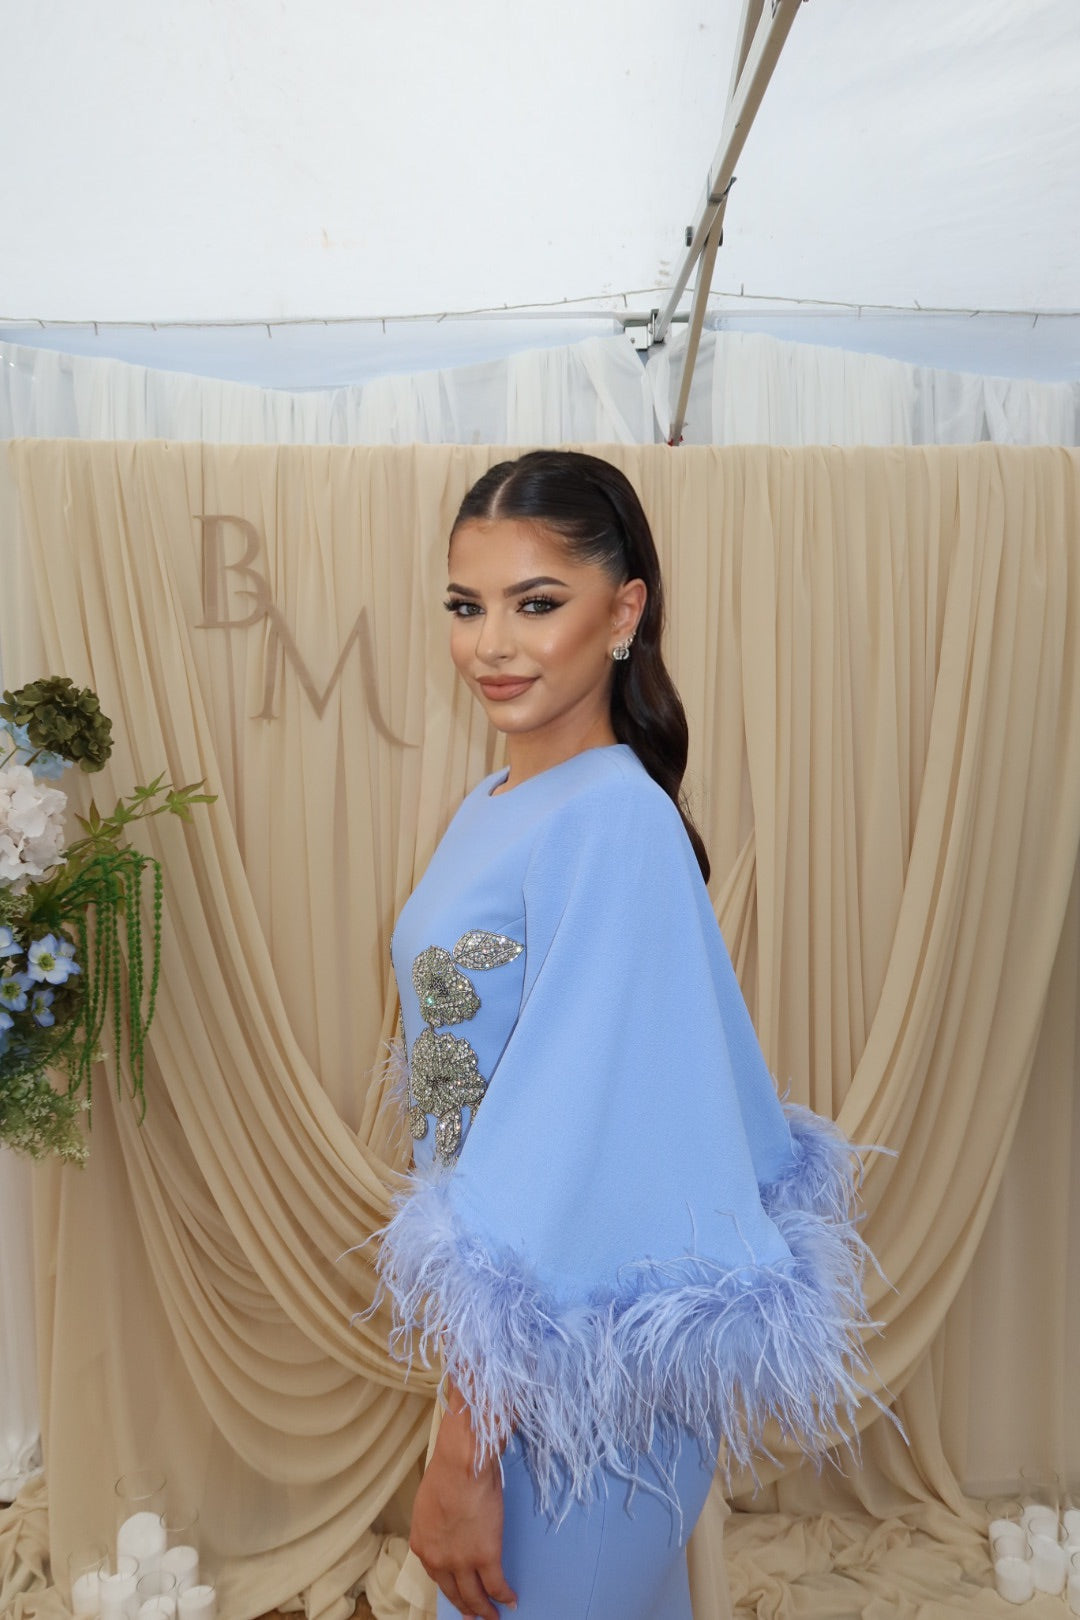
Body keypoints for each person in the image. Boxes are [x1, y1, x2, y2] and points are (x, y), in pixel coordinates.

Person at [376, 450, 876, 1620]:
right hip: (521, 1374)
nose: (492, 645)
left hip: (573, 1397)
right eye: (466, 606)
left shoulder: (611, 817)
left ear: (624, 611)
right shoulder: (493, 804)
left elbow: (568, 1160)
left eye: (536, 602)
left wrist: (465, 1446)